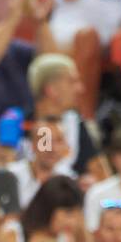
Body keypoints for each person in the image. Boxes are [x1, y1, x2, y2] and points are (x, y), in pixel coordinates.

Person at [25, 53, 106, 182]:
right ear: (51, 89)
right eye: (72, 82)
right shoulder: (17, 121)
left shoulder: (75, 122)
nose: (80, 88)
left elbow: (100, 172)